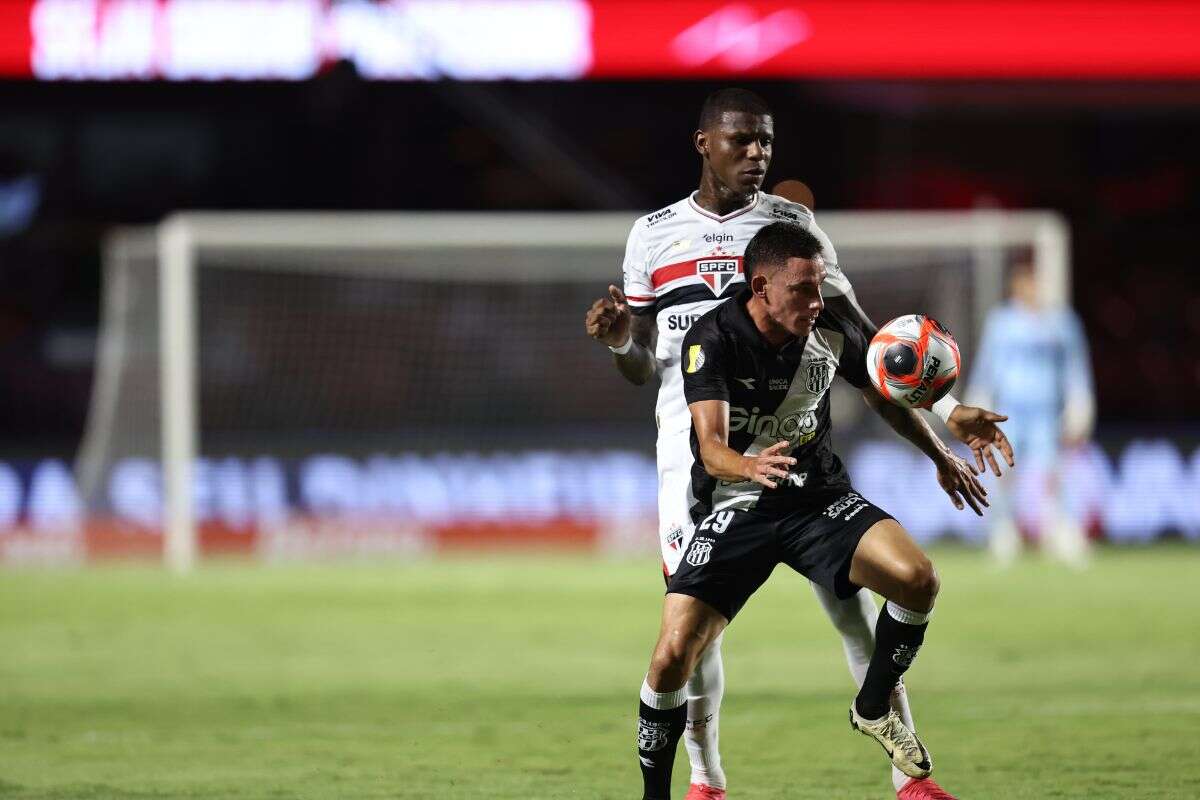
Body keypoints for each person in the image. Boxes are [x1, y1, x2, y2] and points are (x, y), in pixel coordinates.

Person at [586, 88, 1011, 800]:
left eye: (766, 143)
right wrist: (620, 340)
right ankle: (706, 779)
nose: (756, 156)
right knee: (691, 629)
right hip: (695, 450)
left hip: (795, 446)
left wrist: (948, 407)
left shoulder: (792, 226)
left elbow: (865, 339)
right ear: (704, 145)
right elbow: (641, 368)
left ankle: (906, 778)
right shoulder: (652, 235)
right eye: (741, 142)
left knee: (854, 609)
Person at [634, 222, 995, 799]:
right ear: (761, 287)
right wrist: (749, 467)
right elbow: (711, 447)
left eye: (820, 287)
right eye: (803, 289)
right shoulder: (714, 338)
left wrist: (939, 452)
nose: (817, 301)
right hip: (738, 504)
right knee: (673, 654)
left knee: (917, 579)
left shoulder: (830, 330)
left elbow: (883, 391)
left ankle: (874, 708)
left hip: (815, 497)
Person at [968, 258, 1095, 567]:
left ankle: (1060, 530)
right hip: (1009, 410)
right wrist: (978, 398)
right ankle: (1004, 531)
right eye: (1027, 282)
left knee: (1053, 471)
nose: (1033, 289)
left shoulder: (1062, 322)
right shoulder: (1002, 321)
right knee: (1005, 472)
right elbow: (987, 365)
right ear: (1017, 286)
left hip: (1047, 411)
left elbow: (1076, 366)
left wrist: (1081, 400)